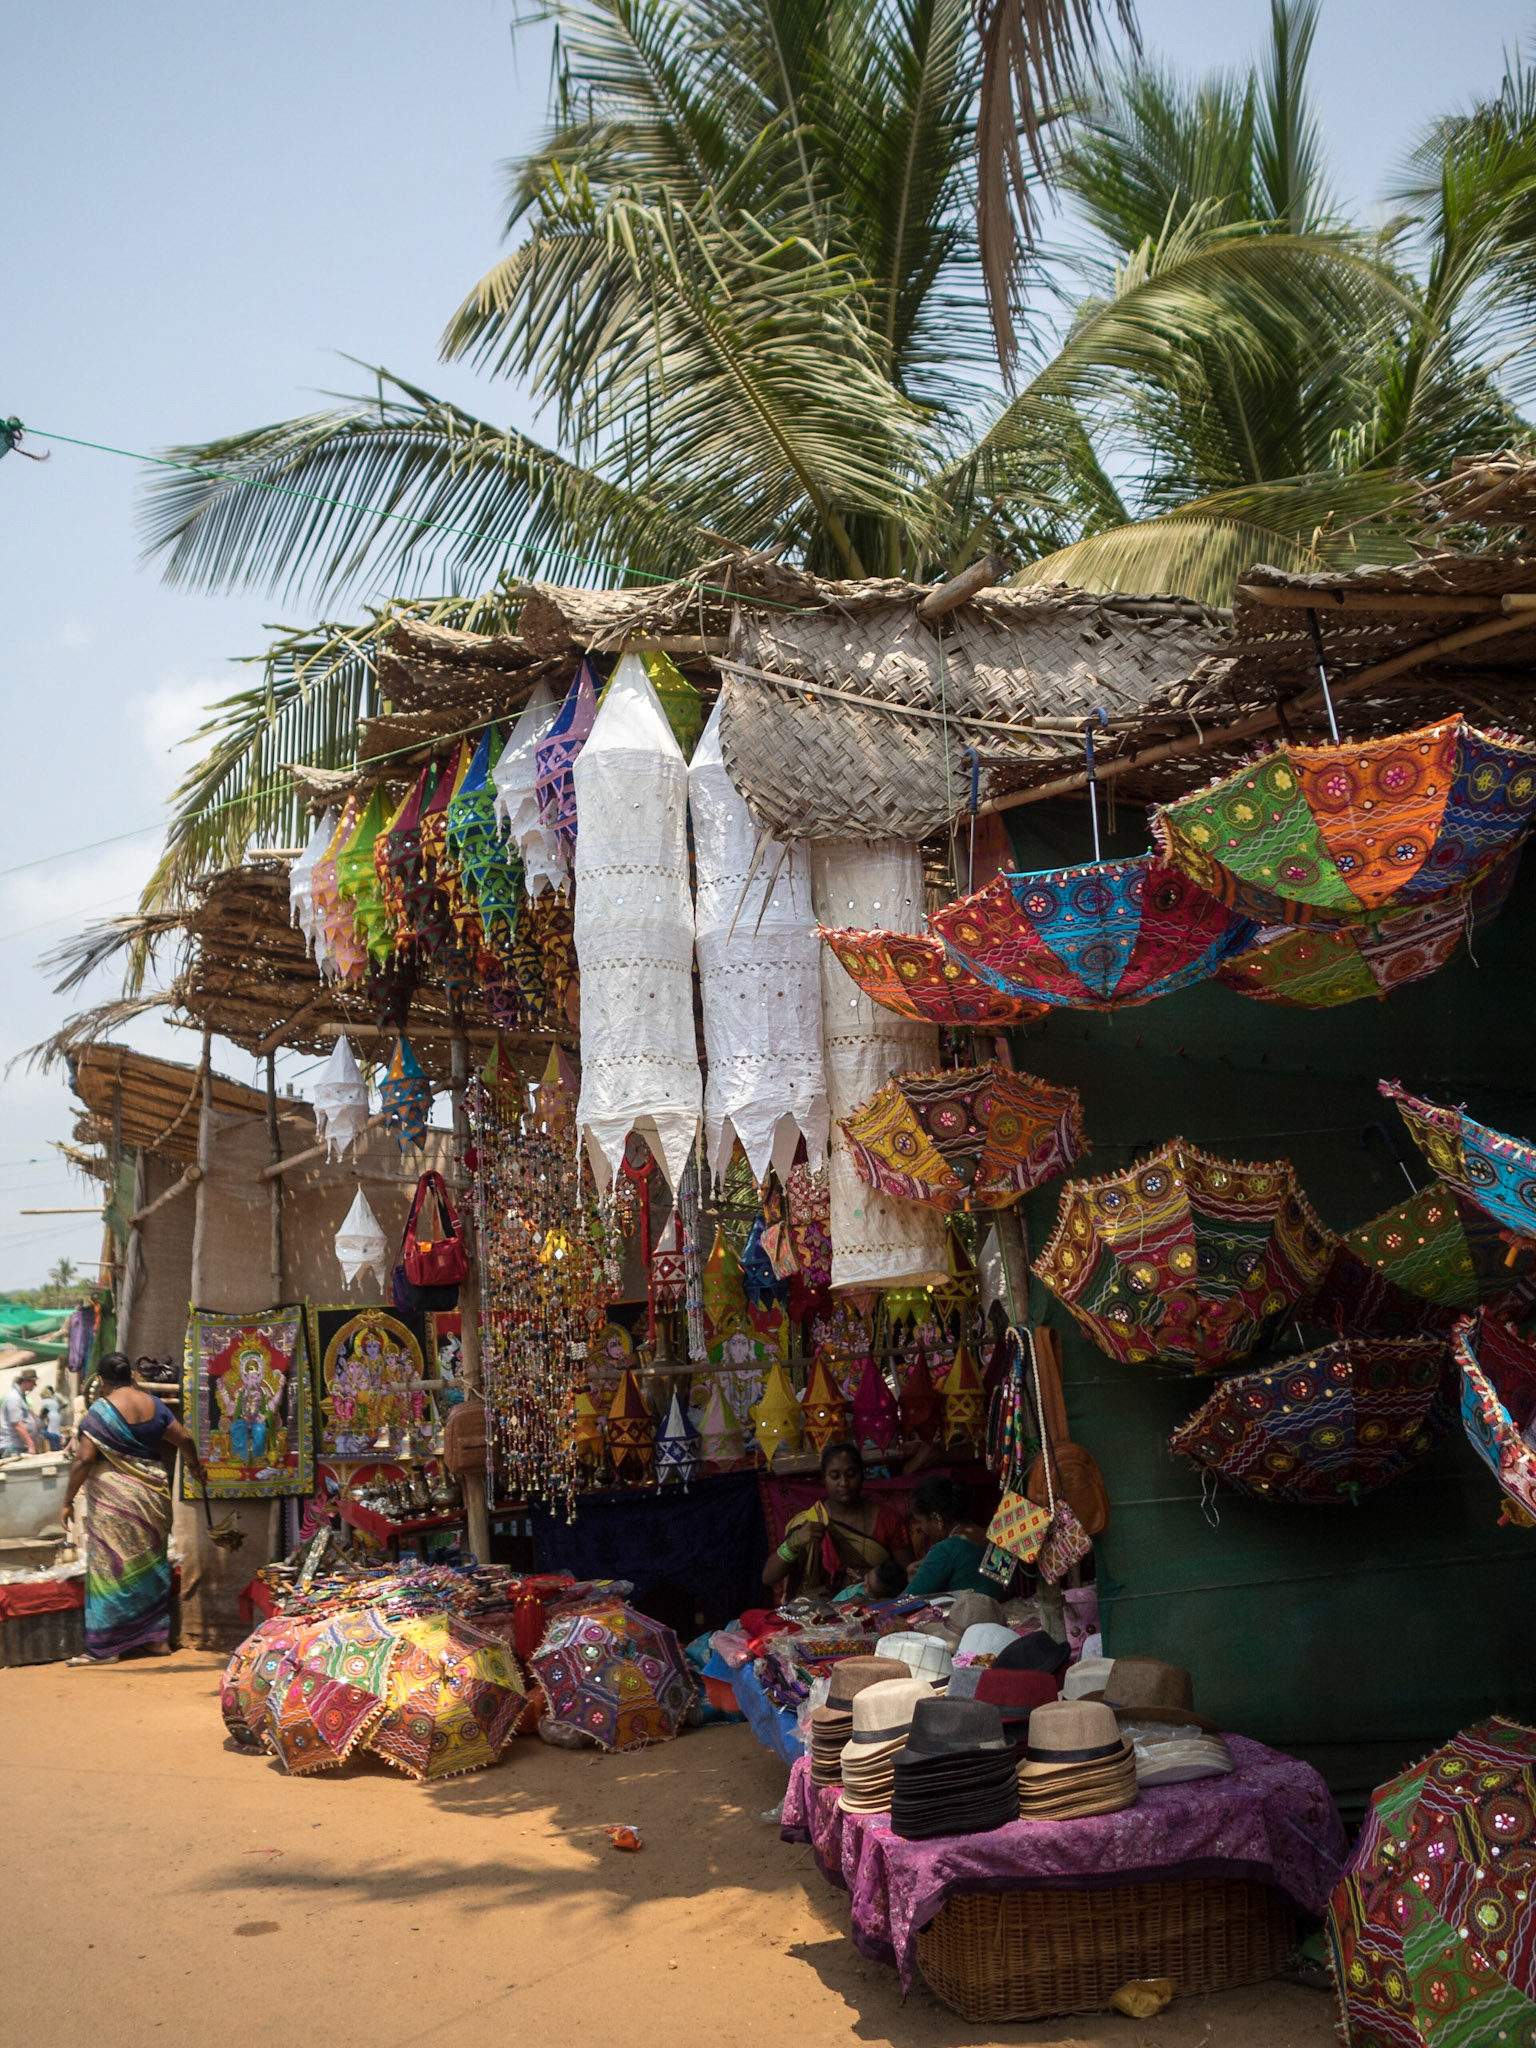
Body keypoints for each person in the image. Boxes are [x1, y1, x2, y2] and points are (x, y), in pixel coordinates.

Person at [60, 1351, 205, 1665]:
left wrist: (66, 1500)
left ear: (101, 1380)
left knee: (111, 1569)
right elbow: (185, 1439)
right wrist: (194, 1468)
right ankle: (155, 1641)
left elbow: (84, 1459)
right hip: (152, 1495)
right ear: (131, 1375)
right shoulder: (154, 1405)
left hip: (115, 1500)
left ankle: (106, 1647)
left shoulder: (99, 1412)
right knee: (150, 1566)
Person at [762, 1441, 912, 1597]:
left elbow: (907, 1576)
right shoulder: (809, 1522)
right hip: (818, 1614)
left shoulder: (887, 1518)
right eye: (834, 1476)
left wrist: (872, 1579)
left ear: (862, 1474)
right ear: (823, 1479)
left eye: (851, 1474)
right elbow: (769, 1578)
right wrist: (795, 1542)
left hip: (875, 1609)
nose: (844, 1483)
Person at [904, 1474, 995, 1596]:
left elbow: (903, 1604)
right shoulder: (989, 1535)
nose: (922, 1529)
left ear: (936, 1518)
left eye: (920, 1521)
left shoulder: (944, 1550)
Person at [0, 1368, 42, 1456]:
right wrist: (30, 1444)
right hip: (13, 1446)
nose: (34, 1385)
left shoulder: (21, 1397)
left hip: (19, 1445)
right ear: (26, 1381)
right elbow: (17, 1424)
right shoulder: (13, 1398)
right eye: (33, 1382)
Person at [37, 1385, 64, 1451]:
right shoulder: (54, 1401)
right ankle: (58, 1447)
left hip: (50, 1416)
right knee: (56, 1432)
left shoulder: (45, 1401)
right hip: (57, 1416)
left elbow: (43, 1411)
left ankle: (52, 1448)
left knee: (50, 1432)